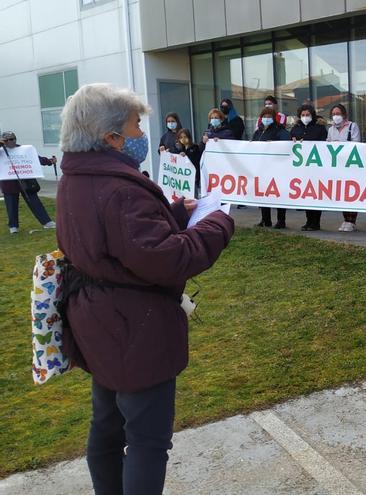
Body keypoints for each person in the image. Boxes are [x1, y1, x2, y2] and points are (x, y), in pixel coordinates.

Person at [55, 83, 234, 495]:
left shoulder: (78, 176)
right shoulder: (118, 187)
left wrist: (171, 212)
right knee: (146, 440)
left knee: (107, 425)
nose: (142, 134)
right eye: (136, 125)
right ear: (110, 136)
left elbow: (118, 241)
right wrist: (217, 223)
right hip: (133, 326)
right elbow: (167, 259)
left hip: (99, 319)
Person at [0, 131, 56, 234]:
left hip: (25, 181)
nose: (11, 141)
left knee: (35, 202)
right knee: (11, 205)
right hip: (8, 183)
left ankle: (46, 222)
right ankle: (13, 227)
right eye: (8, 140)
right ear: (4, 141)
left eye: (13, 139)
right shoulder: (1, 151)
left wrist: (49, 161)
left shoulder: (22, 149)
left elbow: (35, 159)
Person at [290, 104, 328, 231]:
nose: (305, 117)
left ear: (312, 115)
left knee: (316, 194)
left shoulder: (320, 128)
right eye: (303, 115)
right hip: (302, 168)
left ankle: (315, 222)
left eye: (307, 115)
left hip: (316, 167)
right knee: (306, 194)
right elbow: (291, 141)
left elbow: (322, 144)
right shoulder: (295, 128)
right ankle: (308, 221)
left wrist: (304, 139)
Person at [253, 106, 292, 229]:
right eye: (264, 116)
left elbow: (286, 142)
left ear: (274, 118)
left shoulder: (279, 130)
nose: (266, 119)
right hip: (262, 167)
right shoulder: (258, 131)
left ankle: (281, 220)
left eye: (269, 116)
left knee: (279, 193)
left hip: (277, 167)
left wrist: (274, 145)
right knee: (263, 193)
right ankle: (265, 219)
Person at [326, 104, 361, 232]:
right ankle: (346, 219)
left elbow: (356, 143)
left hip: (350, 165)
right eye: (334, 114)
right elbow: (327, 144)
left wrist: (340, 145)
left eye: (338, 113)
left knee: (351, 192)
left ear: (344, 114)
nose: (336, 116)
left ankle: (352, 221)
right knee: (341, 193)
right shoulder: (331, 129)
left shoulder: (352, 126)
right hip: (338, 166)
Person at [175, 128, 203, 197]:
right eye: (181, 137)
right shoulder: (180, 150)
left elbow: (195, 162)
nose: (183, 139)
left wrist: (186, 156)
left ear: (189, 137)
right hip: (183, 178)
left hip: (193, 176)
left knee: (194, 196)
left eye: (185, 137)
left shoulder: (195, 148)